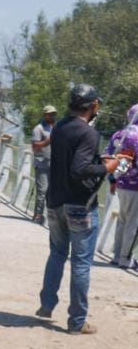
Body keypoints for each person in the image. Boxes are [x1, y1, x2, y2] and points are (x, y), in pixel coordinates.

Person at [35, 83, 124, 334]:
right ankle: (76, 322)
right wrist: (108, 167)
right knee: (82, 263)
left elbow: (71, 160)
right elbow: (79, 169)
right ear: (93, 105)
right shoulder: (89, 134)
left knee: (56, 254)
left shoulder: (60, 126)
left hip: (55, 203)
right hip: (79, 206)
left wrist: (97, 161)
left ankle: (46, 305)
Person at [105, 103, 138, 269]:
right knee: (133, 223)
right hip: (135, 186)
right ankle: (126, 258)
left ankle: (117, 255)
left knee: (122, 220)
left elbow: (108, 155)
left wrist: (113, 178)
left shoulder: (119, 134)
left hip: (120, 183)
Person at [30, 105, 57, 225]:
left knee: (52, 192)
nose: (52, 116)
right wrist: (48, 140)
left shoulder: (56, 128)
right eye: (50, 114)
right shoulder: (38, 129)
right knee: (42, 191)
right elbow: (35, 146)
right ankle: (38, 215)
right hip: (41, 164)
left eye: (54, 114)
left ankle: (49, 217)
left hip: (54, 164)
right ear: (45, 115)